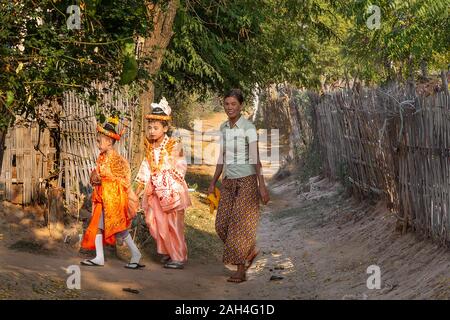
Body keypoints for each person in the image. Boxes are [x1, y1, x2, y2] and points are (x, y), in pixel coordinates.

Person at [209, 89, 270, 283]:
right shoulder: (224, 127)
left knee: (238, 226)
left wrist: (262, 186)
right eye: (226, 104)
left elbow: (255, 158)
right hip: (228, 182)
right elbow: (222, 156)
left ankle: (240, 269)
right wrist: (213, 182)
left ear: (240, 106)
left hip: (247, 181)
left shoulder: (248, 128)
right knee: (221, 225)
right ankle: (249, 251)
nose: (229, 107)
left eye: (233, 104)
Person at [134, 97, 191, 269]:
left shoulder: (174, 146)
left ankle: (178, 256)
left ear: (165, 128)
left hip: (171, 192)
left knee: (173, 224)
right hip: (155, 192)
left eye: (156, 128)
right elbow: (146, 167)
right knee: (154, 221)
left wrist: (168, 181)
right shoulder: (150, 147)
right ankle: (168, 251)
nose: (151, 131)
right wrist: (139, 188)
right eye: (149, 127)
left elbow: (181, 167)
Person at [80, 118, 143, 269]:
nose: (97, 144)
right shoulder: (101, 157)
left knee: (119, 228)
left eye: (99, 141)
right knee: (99, 226)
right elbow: (98, 177)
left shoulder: (118, 160)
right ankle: (99, 257)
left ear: (109, 142)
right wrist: (95, 178)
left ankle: (135, 253)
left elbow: (123, 180)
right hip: (103, 198)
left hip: (114, 200)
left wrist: (104, 180)